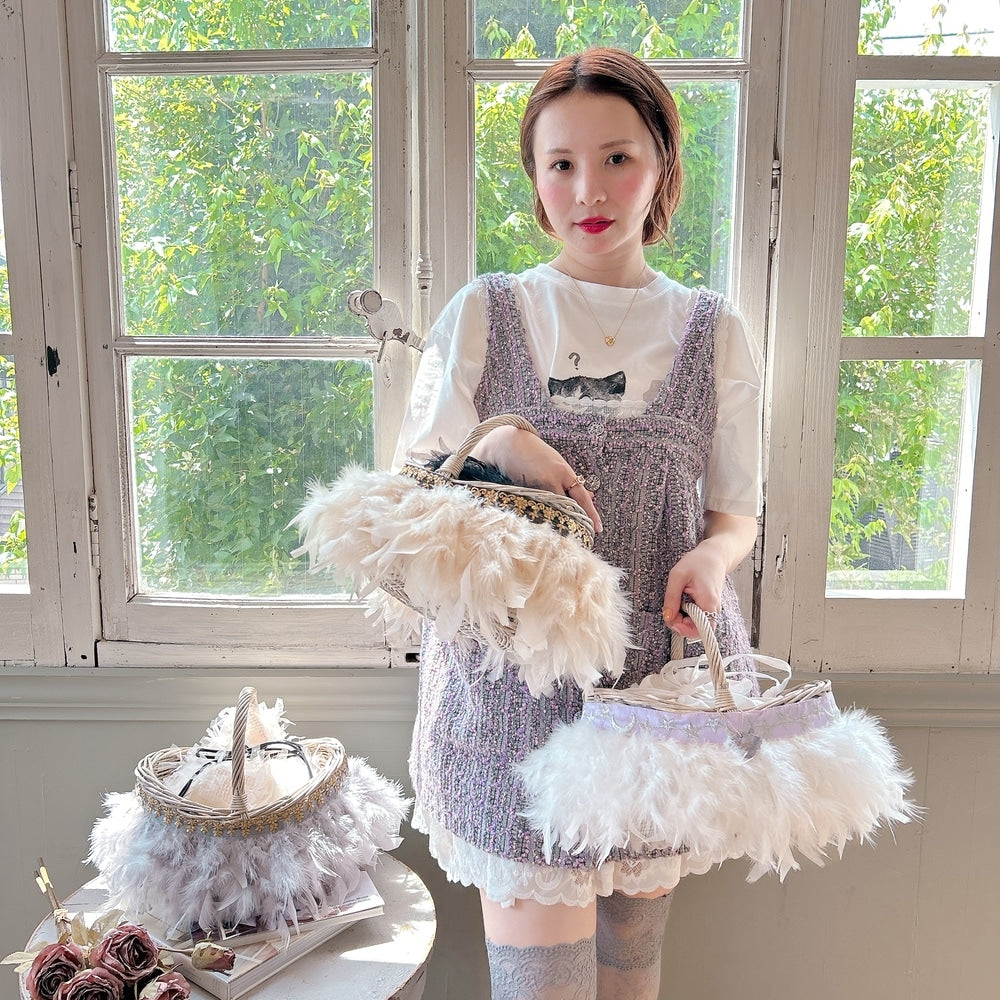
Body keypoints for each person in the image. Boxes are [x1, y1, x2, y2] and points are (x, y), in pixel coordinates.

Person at [394, 47, 763, 1000]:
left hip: (657, 690)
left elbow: (736, 512)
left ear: (661, 166)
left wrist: (713, 557)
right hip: (508, 702)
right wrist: (503, 439)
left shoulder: (712, 330)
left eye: (617, 158)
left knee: (631, 974)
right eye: (560, 163)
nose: (588, 190)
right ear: (535, 179)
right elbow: (411, 488)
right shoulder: (486, 312)